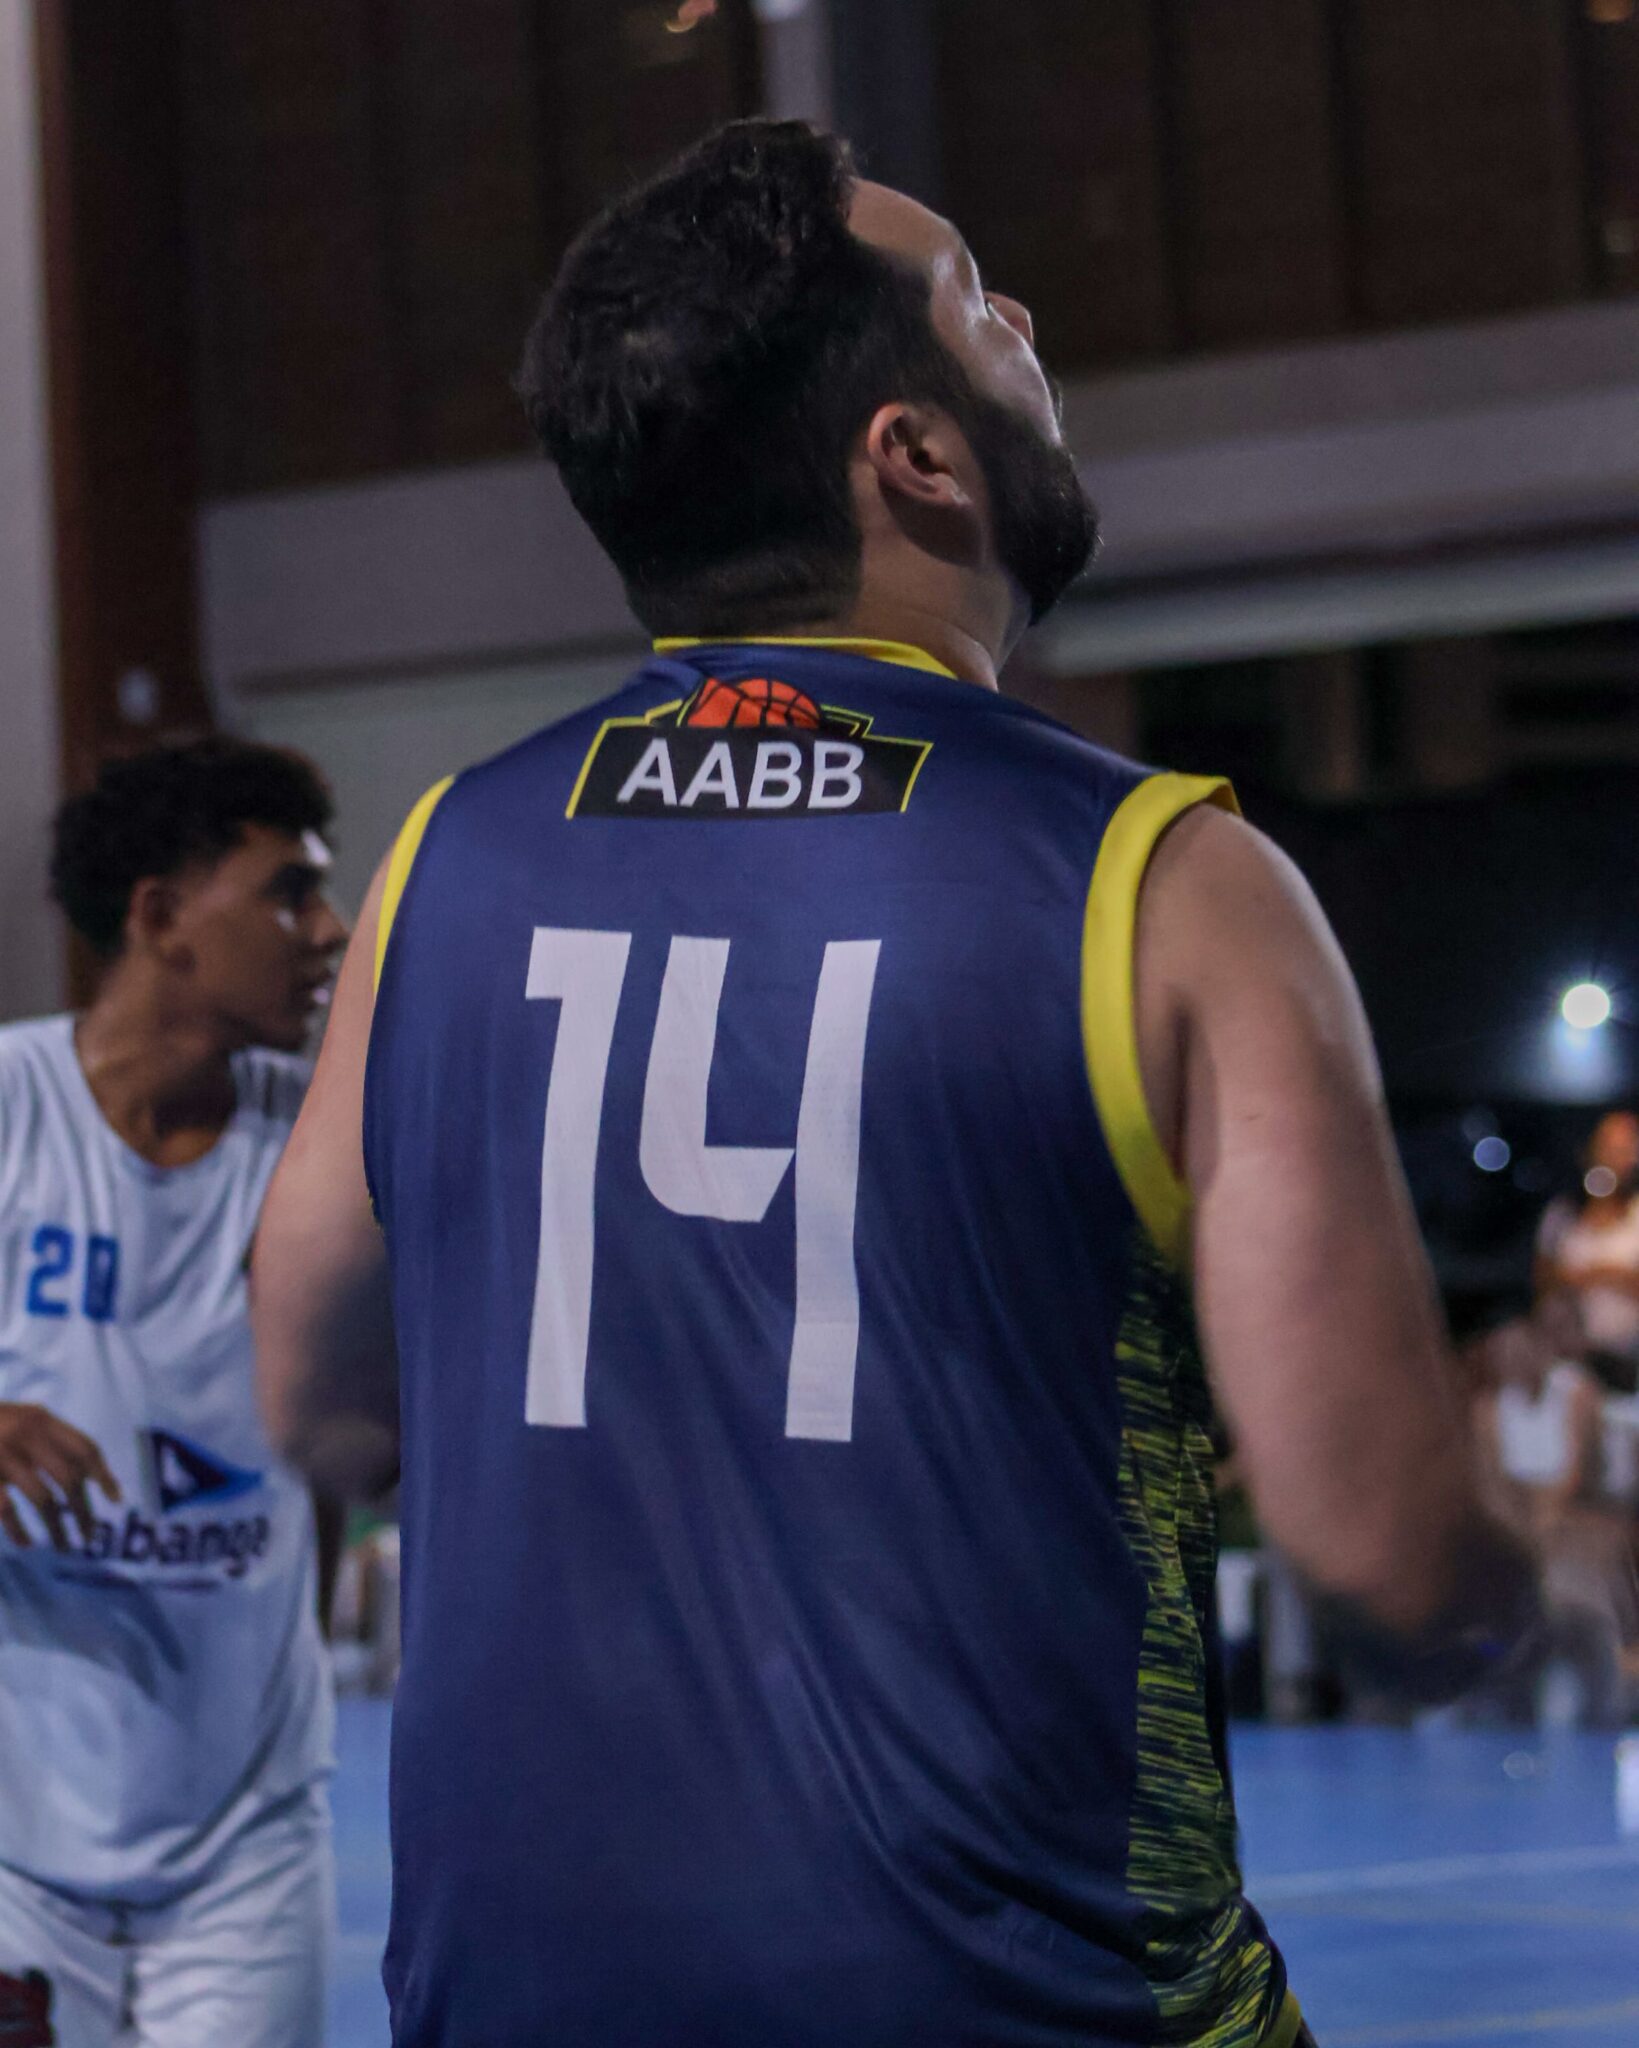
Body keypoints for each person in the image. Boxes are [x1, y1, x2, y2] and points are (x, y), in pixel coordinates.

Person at [253, 120, 1539, 2048]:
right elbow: (1387, 1568)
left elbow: (315, 1403)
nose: (1025, 326)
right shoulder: (1161, 883)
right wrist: (1546, 1600)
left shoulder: (443, 857)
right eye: (976, 302)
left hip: (519, 1995)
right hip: (1017, 1995)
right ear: (912, 455)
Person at [0, 740, 347, 2046]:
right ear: (159, 918)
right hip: (15, 1845)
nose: (328, 931)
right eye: (287, 894)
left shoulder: (326, 1145)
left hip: (245, 1840)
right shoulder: (9, 1109)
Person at [1536, 1110, 1639, 1386]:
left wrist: (1609, 1274)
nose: (1615, 1159)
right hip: (1569, 1357)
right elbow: (1541, 1283)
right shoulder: (1562, 1214)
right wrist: (1570, 1279)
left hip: (1630, 1358)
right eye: (1608, 1147)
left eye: (1627, 1149)